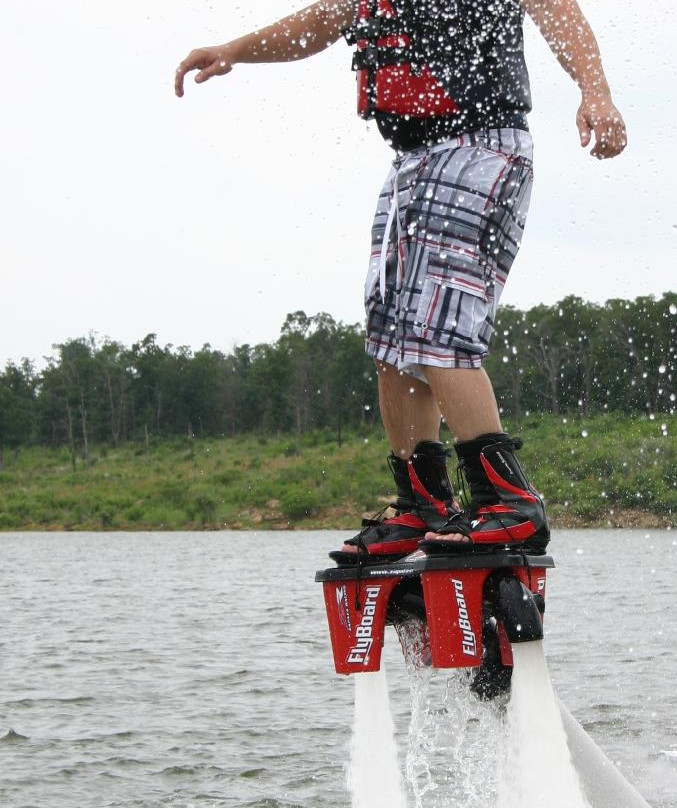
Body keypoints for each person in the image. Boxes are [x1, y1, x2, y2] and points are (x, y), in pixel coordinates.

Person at [175, 0, 626, 560]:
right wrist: (233, 51)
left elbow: (559, 12)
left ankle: (509, 503)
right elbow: (318, 23)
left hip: (481, 147)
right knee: (391, 339)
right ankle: (423, 504)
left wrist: (596, 93)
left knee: (438, 331)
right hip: (412, 161)